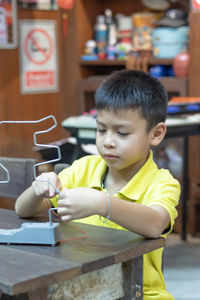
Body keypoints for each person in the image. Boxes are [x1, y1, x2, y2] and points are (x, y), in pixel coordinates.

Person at [15, 70, 180, 300]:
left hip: (139, 291)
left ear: (156, 133)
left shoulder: (162, 182)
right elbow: (22, 210)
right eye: (101, 129)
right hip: (82, 285)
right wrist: (37, 189)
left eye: (122, 133)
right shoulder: (84, 168)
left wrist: (104, 204)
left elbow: (155, 224)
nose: (108, 142)